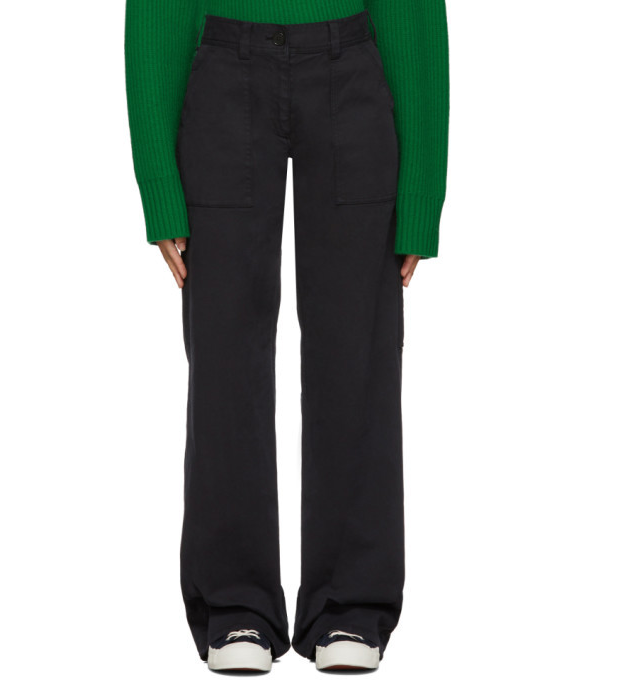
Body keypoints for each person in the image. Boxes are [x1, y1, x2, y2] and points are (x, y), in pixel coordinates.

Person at [124, 0, 449, 672]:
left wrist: (422, 192)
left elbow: (413, 8)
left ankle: (351, 604)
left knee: (357, 353)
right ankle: (235, 605)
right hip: (220, 71)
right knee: (223, 358)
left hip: (353, 66)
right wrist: (159, 184)